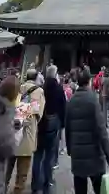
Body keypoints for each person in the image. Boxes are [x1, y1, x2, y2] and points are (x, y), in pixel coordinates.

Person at [65, 66, 109, 194]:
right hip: (95, 155)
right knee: (99, 189)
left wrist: (70, 150)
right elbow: (101, 130)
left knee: (80, 190)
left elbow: (68, 129)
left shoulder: (71, 101)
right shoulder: (93, 100)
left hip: (78, 155)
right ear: (89, 81)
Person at [6, 68, 45, 194]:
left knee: (6, 170)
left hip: (12, 133)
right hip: (26, 135)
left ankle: (2, 189)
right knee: (22, 174)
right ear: (36, 78)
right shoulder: (39, 92)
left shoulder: (17, 88)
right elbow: (38, 113)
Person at [31, 65, 66, 194]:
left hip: (41, 124)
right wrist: (62, 124)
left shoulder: (41, 88)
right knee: (49, 155)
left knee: (38, 154)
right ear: (55, 74)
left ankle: (35, 183)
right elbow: (63, 107)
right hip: (53, 125)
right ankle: (47, 180)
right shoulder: (58, 89)